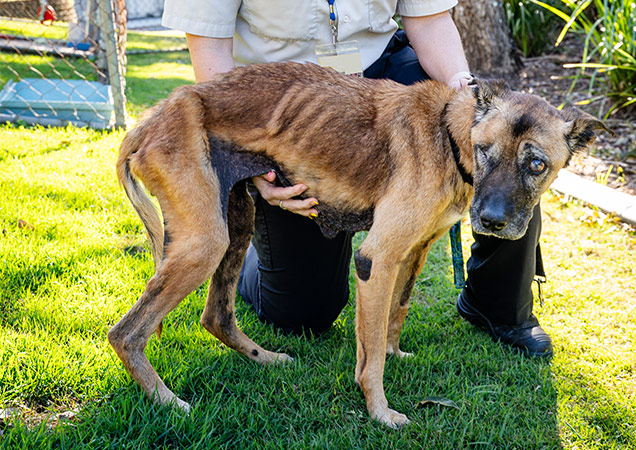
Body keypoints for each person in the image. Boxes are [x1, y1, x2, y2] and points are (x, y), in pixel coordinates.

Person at [161, 0, 553, 358]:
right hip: (287, 101)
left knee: (511, 145)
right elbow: (209, 45)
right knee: (304, 312)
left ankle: (498, 304)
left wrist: (462, 86)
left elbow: (429, 18)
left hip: (386, 69)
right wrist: (252, 159)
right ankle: (256, 253)